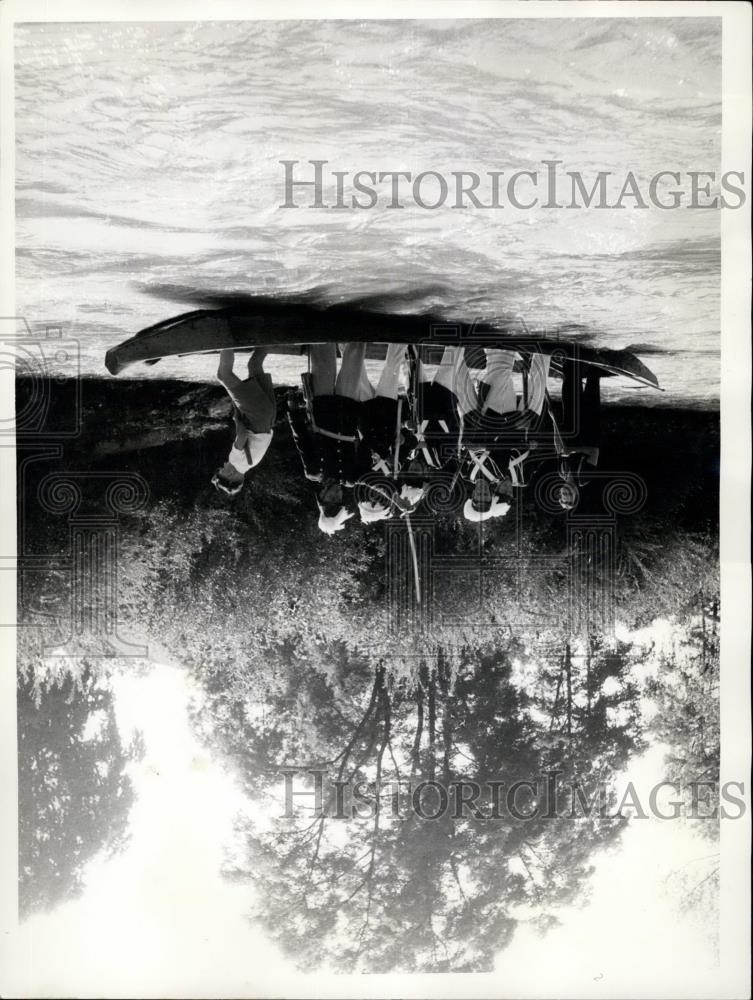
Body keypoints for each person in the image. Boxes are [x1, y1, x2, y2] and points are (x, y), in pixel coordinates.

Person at [461, 347, 551, 522]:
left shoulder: (486, 472)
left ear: (496, 491)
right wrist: (534, 443)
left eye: (502, 493)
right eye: (509, 494)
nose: (507, 490)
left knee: (500, 368)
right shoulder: (522, 478)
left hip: (506, 420)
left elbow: (497, 443)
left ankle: (498, 341)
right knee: (539, 380)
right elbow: (538, 455)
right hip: (528, 425)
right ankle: (543, 345)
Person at [307, 342, 373, 533]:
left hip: (323, 410)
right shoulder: (352, 477)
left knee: (323, 353)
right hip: (347, 412)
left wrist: (293, 413)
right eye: (339, 498)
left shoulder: (313, 471)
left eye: (332, 498)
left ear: (322, 496)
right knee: (355, 354)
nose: (337, 494)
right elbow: (365, 448)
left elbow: (302, 440)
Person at [356, 342, 411, 524]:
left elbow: (366, 443)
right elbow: (407, 446)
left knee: (357, 368)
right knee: (392, 367)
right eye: (379, 502)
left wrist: (386, 454)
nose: (376, 497)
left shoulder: (361, 474)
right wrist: (401, 438)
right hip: (387, 417)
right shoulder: (395, 483)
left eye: (371, 501)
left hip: (366, 416)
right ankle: (401, 335)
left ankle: (344, 337)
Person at [212, 348, 276, 496]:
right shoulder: (235, 461)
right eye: (222, 471)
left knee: (254, 364)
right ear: (230, 476)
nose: (222, 466)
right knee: (223, 375)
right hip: (256, 414)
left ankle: (271, 337)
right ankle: (225, 341)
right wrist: (236, 419)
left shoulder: (251, 464)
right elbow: (242, 434)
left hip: (269, 415)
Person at [550, 357, 603, 511]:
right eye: (569, 495)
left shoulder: (562, 471)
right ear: (576, 494)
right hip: (589, 425)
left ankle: (572, 358)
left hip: (570, 424)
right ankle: (594, 356)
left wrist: (553, 421)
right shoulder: (584, 478)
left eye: (563, 494)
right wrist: (573, 450)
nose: (565, 492)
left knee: (569, 386)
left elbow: (558, 446)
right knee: (593, 381)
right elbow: (594, 452)